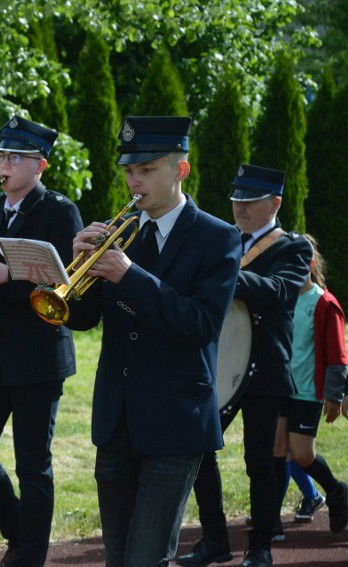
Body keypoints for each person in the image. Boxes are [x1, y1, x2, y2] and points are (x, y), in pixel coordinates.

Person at [64, 116, 241, 567]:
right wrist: (72, 267)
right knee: (118, 558)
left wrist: (130, 275)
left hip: (176, 420)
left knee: (146, 559)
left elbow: (199, 324)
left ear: (180, 171)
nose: (134, 181)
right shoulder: (122, 235)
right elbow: (83, 320)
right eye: (128, 171)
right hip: (117, 417)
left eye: (146, 170)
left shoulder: (217, 238)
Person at [0, 115, 84, 567]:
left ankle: (29, 556)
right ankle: (20, 532)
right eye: (0, 156)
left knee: (33, 463)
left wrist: (9, 276)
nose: (4, 164)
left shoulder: (59, 211)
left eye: (15, 157)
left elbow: (64, 282)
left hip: (37, 353)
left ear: (40, 166)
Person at [177, 164, 312, 567]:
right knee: (201, 452)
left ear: (275, 203)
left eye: (250, 201)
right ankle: (215, 540)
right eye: (237, 200)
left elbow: (279, 292)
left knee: (260, 462)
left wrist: (222, 271)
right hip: (219, 362)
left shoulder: (293, 246)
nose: (240, 208)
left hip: (266, 367)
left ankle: (261, 547)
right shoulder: (224, 239)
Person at [272, 234, 348, 534]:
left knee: (302, 454)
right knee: (277, 450)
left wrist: (333, 394)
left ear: (311, 264)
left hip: (307, 392)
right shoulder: (280, 297)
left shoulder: (324, 303)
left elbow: (337, 354)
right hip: (280, 389)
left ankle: (337, 491)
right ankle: (270, 521)